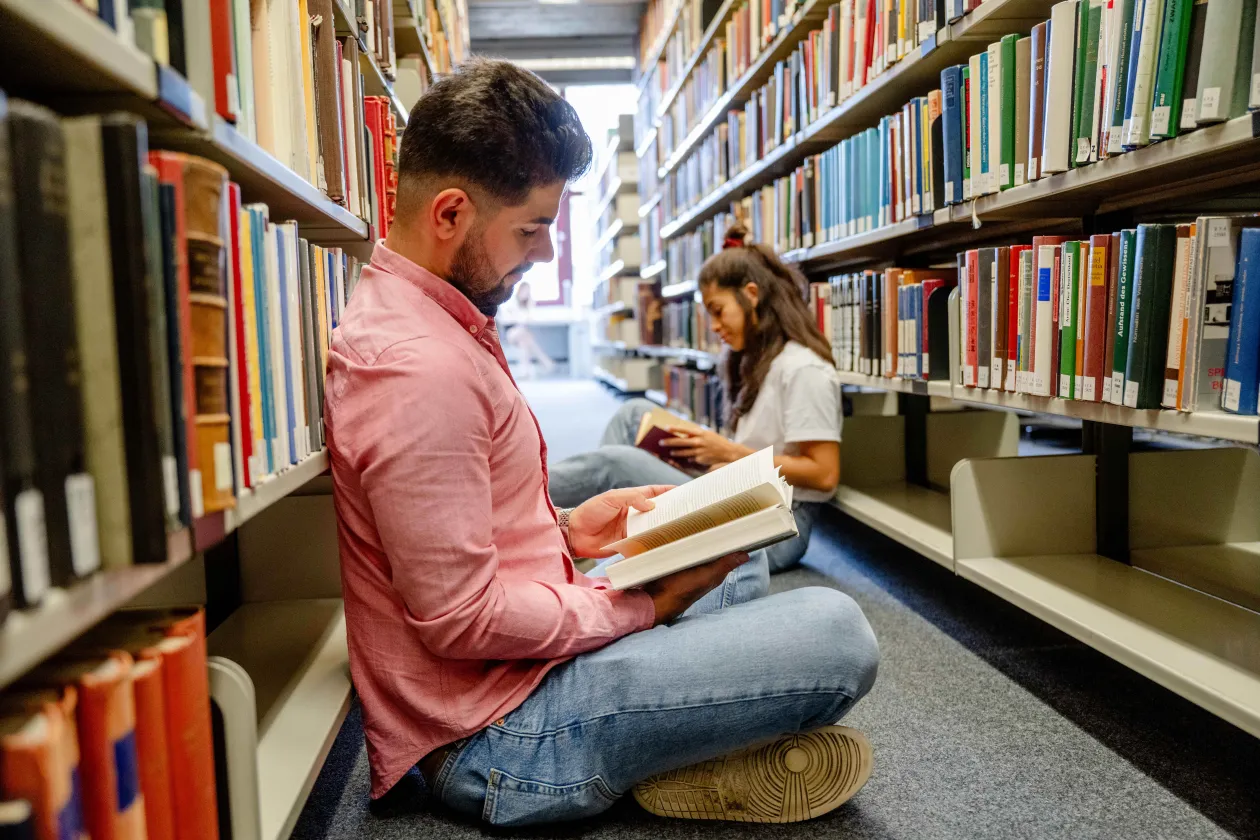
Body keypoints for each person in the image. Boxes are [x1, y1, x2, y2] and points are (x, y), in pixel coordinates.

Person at [324, 58, 879, 828]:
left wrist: (568, 531)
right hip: (502, 733)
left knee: (739, 561)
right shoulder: (420, 371)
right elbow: (459, 620)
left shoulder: (429, 323)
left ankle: (682, 739)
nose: (546, 255)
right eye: (532, 229)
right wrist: (636, 607)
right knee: (836, 631)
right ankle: (670, 750)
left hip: (515, 675)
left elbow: (444, 539)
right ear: (448, 214)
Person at [550, 224, 843, 574]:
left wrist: (731, 453)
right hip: (741, 491)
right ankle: (586, 539)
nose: (714, 326)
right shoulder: (760, 360)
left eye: (718, 311)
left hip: (775, 525)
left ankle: (523, 510)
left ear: (751, 294)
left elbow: (824, 474)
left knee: (613, 464)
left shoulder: (802, 368)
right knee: (634, 414)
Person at [500, 279, 557, 378]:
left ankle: (525, 372)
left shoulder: (528, 303)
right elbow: (508, 319)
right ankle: (546, 362)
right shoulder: (512, 302)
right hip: (510, 332)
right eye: (524, 291)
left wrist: (530, 303)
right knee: (525, 335)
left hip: (521, 333)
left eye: (527, 292)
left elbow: (529, 318)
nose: (525, 293)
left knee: (525, 342)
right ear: (520, 290)